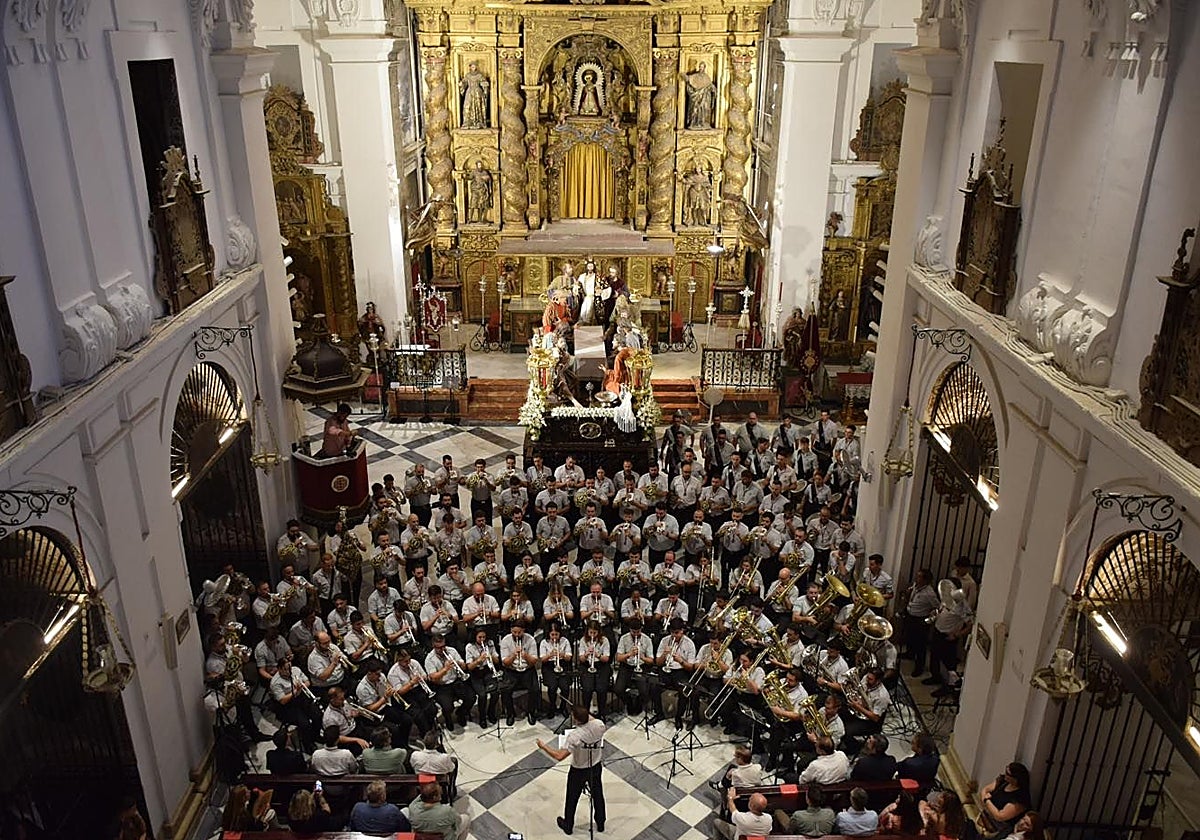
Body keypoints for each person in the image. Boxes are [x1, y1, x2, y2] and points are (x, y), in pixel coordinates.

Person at [537, 705, 607, 835]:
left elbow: (559, 756)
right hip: (595, 766)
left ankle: (568, 825)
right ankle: (601, 823)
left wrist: (543, 747)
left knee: (572, 798)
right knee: (598, 795)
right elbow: (589, 719)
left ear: (576, 719)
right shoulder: (599, 725)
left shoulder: (574, 736)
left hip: (578, 770)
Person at [971, 762, 1032, 839]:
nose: (1005, 774)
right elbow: (985, 790)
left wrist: (987, 800)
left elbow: (1000, 816)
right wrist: (986, 799)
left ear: (1015, 779)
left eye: (1008, 774)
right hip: (985, 818)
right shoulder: (1003, 781)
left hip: (998, 829)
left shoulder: (1020, 798)